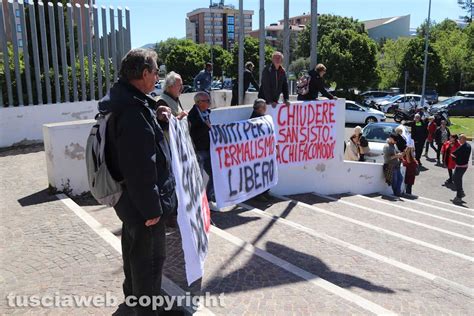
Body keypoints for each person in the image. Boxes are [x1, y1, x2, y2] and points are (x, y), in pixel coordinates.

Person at [98, 49, 177, 315]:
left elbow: (142, 113)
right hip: (144, 206)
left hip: (130, 202)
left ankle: (134, 299)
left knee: (133, 254)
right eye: (155, 72)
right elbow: (141, 166)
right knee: (150, 262)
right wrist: (153, 209)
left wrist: (157, 110)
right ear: (144, 74)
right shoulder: (132, 113)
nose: (157, 77)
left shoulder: (125, 100)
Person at [188, 91, 216, 208]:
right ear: (198, 102)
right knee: (198, 178)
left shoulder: (206, 113)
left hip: (208, 149)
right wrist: (206, 126)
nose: (209, 103)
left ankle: (208, 198)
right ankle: (199, 204)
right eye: (207, 101)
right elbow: (193, 133)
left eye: (209, 100)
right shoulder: (192, 115)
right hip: (198, 150)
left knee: (214, 174)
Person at [451, 134, 471, 203]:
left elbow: (454, 154)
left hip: (461, 166)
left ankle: (459, 196)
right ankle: (461, 192)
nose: (459, 140)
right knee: (455, 178)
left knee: (457, 180)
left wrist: (454, 158)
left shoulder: (464, 147)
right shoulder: (467, 145)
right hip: (462, 166)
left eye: (460, 138)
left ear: (464, 139)